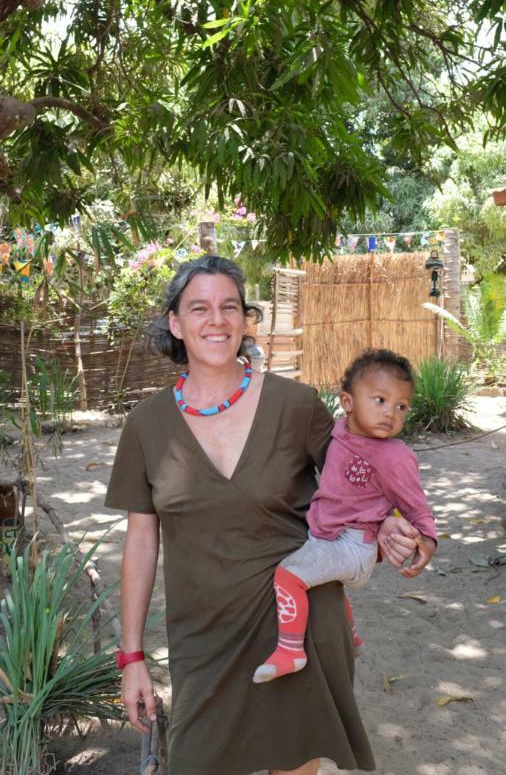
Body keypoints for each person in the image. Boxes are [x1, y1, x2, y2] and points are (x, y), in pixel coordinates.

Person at [105, 256, 436, 775]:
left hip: (299, 626)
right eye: (199, 307)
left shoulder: (298, 405)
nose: (216, 320)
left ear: (244, 320)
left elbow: (356, 485)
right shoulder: (146, 426)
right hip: (203, 634)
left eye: (229, 306)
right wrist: (131, 657)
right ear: (175, 323)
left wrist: (393, 523)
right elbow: (141, 543)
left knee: (294, 766)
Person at [253, 349, 437, 684]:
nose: (391, 414)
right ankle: (351, 635)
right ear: (347, 403)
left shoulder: (395, 457)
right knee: (329, 583)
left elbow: (416, 505)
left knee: (288, 576)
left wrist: (427, 539)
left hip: (353, 544)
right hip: (331, 534)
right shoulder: (340, 431)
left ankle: (290, 651)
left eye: (401, 406)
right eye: (379, 400)